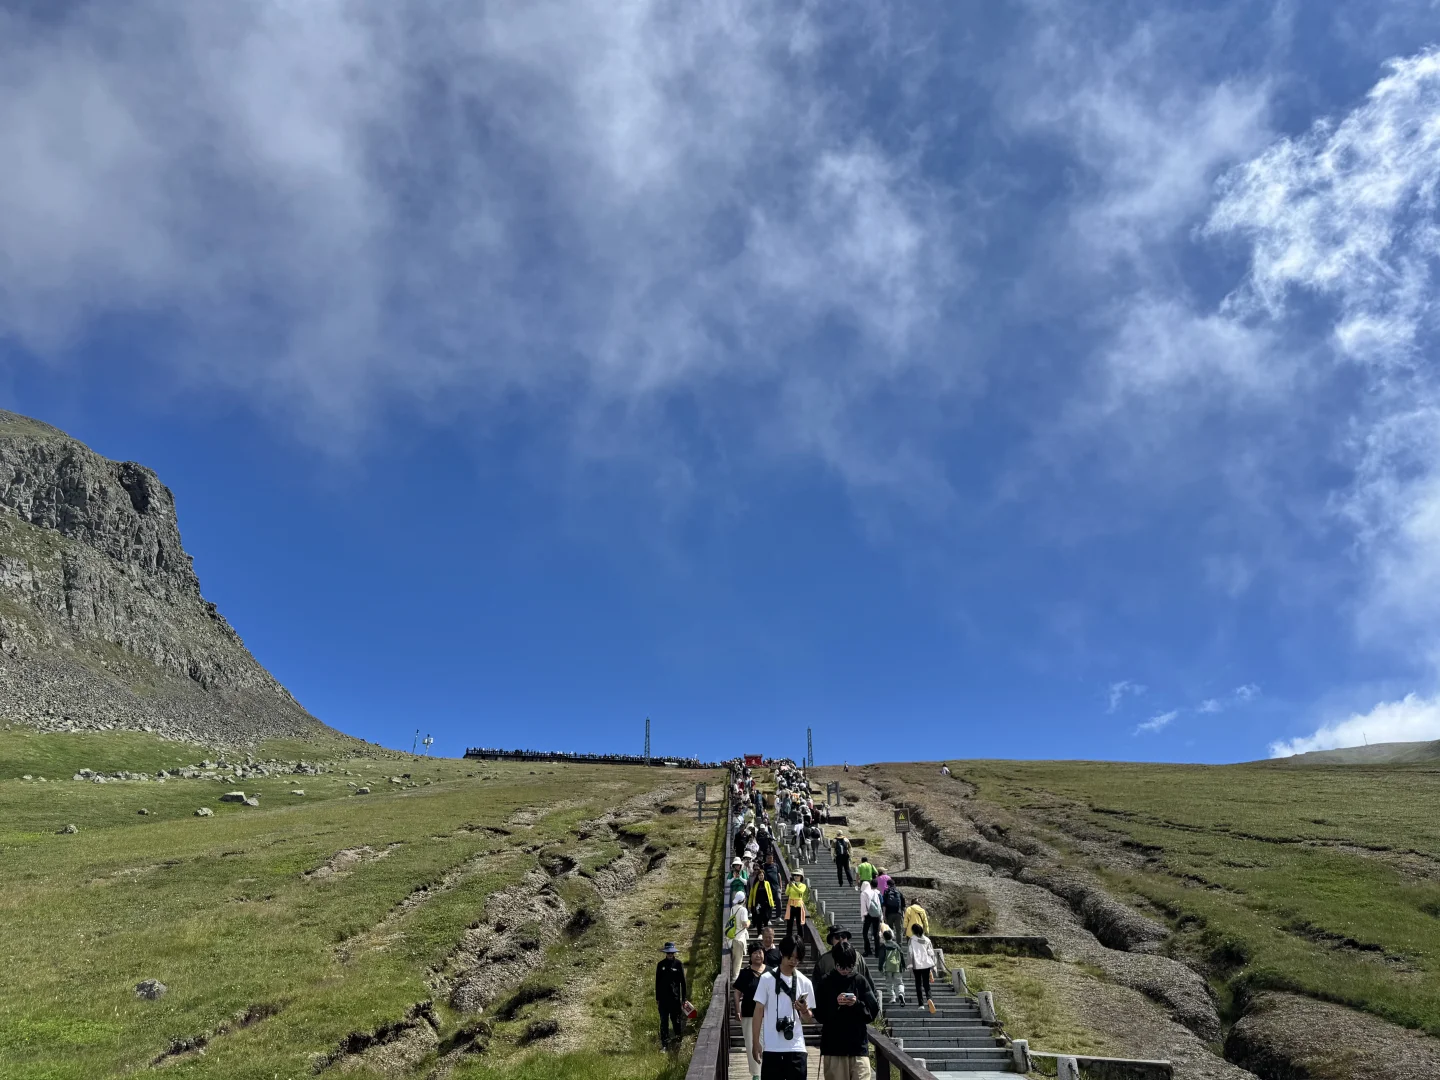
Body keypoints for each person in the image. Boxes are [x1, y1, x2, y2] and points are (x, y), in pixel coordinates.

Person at [815, 940, 880, 1080]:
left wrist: (856, 1004)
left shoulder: (860, 981)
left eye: (849, 967)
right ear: (835, 962)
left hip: (858, 1048)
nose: (845, 971)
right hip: (834, 1048)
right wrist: (835, 1003)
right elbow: (819, 1014)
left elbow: (872, 1011)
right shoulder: (826, 982)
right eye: (840, 966)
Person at [752, 936, 816, 1080]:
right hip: (772, 1048)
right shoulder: (766, 979)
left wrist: (804, 1010)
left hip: (797, 1048)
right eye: (790, 957)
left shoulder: (805, 982)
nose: (794, 961)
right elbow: (758, 1011)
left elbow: (808, 1020)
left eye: (797, 958)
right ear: (781, 953)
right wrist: (755, 1043)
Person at [733, 943, 768, 1080]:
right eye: (755, 953)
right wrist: (737, 1010)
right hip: (749, 1014)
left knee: (768, 1043)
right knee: (751, 1043)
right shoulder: (745, 973)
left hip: (768, 1014)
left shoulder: (771, 972)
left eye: (760, 952)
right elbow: (737, 993)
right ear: (750, 956)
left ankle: (767, 1072)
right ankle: (756, 1074)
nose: (758, 955)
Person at [655, 942, 689, 1048]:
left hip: (674, 999)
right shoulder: (660, 965)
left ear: (674, 953)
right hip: (663, 1000)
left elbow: (683, 983)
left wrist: (684, 998)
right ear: (666, 953)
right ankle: (664, 1044)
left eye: (672, 953)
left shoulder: (678, 964)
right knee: (664, 1022)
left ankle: (678, 1039)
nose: (670, 955)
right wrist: (657, 998)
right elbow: (657, 982)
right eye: (668, 953)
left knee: (676, 1021)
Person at [908, 924, 937, 1015]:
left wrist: (910, 965)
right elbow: (931, 953)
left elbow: (910, 953)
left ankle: (921, 1004)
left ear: (913, 931)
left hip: (917, 965)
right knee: (926, 984)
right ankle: (929, 998)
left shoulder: (911, 940)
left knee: (918, 983)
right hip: (926, 964)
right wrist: (934, 966)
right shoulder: (927, 940)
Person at [878, 928, 906, 1006]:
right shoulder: (896, 945)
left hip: (887, 967)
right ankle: (900, 993)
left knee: (889, 983)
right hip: (896, 966)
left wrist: (880, 967)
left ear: (883, 937)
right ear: (892, 937)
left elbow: (881, 957)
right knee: (899, 983)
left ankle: (892, 997)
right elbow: (902, 955)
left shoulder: (883, 946)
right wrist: (903, 965)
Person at [727, 886, 752, 974]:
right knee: (738, 961)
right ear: (743, 900)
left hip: (732, 937)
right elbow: (745, 924)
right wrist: (749, 922)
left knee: (734, 960)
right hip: (739, 937)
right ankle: (735, 980)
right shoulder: (743, 910)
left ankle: (734, 978)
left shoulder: (733, 908)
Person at [859, 878, 883, 957]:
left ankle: (868, 950)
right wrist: (880, 915)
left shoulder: (863, 893)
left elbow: (863, 907)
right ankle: (877, 952)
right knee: (876, 934)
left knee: (865, 933)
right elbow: (878, 904)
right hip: (876, 914)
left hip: (868, 915)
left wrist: (863, 916)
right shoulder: (874, 892)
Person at [784, 869, 809, 937]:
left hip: (798, 905)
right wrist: (789, 886)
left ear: (801, 877)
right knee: (789, 923)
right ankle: (788, 937)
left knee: (799, 923)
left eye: (798, 875)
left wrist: (793, 886)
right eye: (795, 875)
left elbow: (800, 891)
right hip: (791, 904)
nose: (796, 877)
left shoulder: (803, 885)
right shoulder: (790, 884)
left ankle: (800, 938)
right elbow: (787, 893)